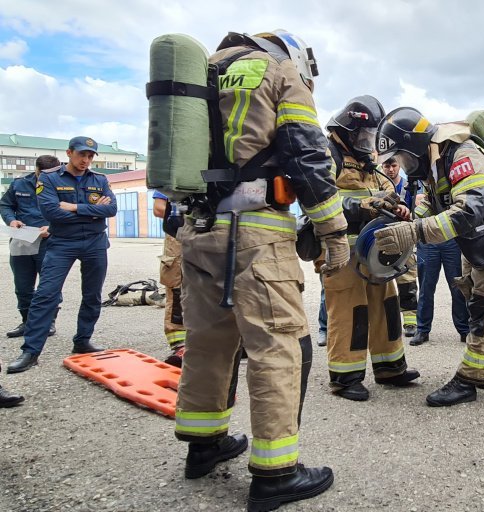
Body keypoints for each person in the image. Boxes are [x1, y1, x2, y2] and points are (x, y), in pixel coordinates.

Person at [173, 31, 347, 510]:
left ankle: (202, 446)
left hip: (199, 228)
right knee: (277, 346)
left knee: (208, 342)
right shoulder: (277, 71)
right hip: (255, 234)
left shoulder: (197, 71)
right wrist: (332, 229)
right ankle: (276, 474)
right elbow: (307, 153)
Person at [374, 107, 484, 407]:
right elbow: (433, 205)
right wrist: (406, 221)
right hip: (481, 245)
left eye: (402, 157)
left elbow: (468, 210)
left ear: (415, 143)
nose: (402, 166)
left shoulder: (461, 154)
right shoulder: (436, 162)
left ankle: (469, 380)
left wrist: (414, 233)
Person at [323, 95, 420, 402]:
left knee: (387, 305)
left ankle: (390, 368)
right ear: (348, 130)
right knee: (350, 310)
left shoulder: (368, 163)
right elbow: (317, 199)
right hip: (340, 250)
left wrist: (398, 207)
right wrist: (359, 205)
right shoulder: (328, 155)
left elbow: (388, 192)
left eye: (370, 137)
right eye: (363, 135)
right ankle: (345, 377)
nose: (367, 142)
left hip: (373, 252)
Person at [7, 137, 116, 374]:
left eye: (90, 156)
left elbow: (111, 209)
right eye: (81, 155)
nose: (85, 160)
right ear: (69, 153)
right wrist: (93, 212)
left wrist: (75, 207)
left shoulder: (100, 179)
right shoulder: (49, 178)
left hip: (95, 243)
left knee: (92, 295)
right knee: (45, 295)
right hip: (63, 243)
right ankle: (31, 351)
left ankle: (82, 340)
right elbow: (51, 213)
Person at [1, 155, 61, 339]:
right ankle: (27, 322)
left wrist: (53, 227)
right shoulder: (19, 184)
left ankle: (48, 323)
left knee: (49, 286)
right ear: (36, 170)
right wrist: (12, 221)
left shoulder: (64, 185)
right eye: (42, 174)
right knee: (22, 285)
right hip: (22, 240)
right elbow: (5, 205)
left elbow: (69, 211)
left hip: (49, 242)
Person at [412, 194, 470, 346]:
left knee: (458, 286)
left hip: (452, 238)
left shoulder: (451, 173)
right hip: (428, 238)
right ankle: (422, 330)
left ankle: (464, 330)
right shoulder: (422, 175)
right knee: (426, 287)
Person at [382, 157, 419, 338]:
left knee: (408, 281)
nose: (390, 170)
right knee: (383, 282)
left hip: (404, 239)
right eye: (387, 166)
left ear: (399, 166)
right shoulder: (380, 187)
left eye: (394, 165)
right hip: (382, 239)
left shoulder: (408, 187)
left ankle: (410, 321)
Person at [152, 191, 186, 366]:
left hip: (211, 233)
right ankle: (180, 344)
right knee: (177, 287)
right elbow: (159, 209)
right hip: (179, 235)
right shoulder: (174, 171)